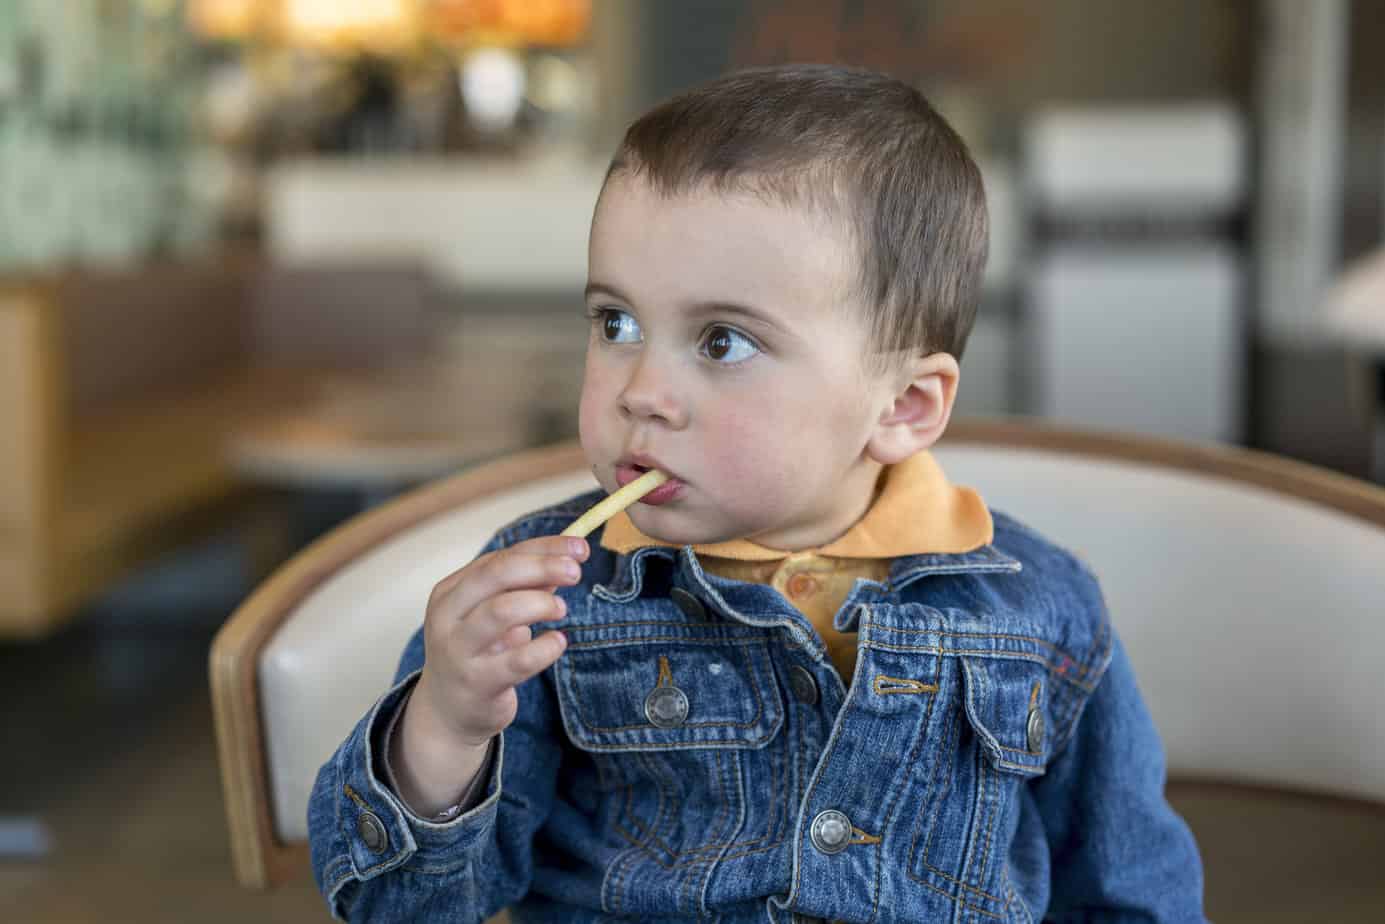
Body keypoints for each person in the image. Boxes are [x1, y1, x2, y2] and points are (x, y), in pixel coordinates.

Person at [307, 64, 1206, 923]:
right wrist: (443, 729)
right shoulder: (548, 601)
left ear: (900, 406)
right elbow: (399, 904)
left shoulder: (1040, 607)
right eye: (615, 322)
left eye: (722, 342)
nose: (639, 391)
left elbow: (1128, 894)